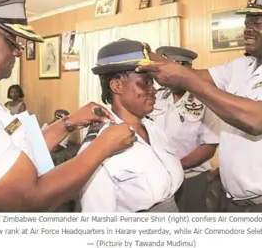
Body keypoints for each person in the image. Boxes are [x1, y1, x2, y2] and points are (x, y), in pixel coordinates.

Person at [138, 0, 262, 212]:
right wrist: (147, 55)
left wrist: (186, 81)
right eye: (247, 21)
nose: (248, 28)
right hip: (233, 201)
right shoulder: (242, 65)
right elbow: (194, 75)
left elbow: (256, 120)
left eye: (257, 22)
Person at [0, 0, 136, 212]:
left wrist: (68, 123)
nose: (18, 52)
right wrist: (104, 145)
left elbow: (23, 148)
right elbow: (23, 201)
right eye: (13, 42)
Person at [78, 40, 184, 212]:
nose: (154, 89)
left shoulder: (154, 129)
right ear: (117, 86)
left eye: (152, 82)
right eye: (145, 82)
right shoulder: (99, 146)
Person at [150, 46, 220, 212]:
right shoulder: (157, 97)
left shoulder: (206, 98)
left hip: (191, 180)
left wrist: (175, 166)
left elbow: (208, 147)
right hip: (158, 179)